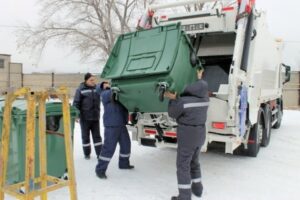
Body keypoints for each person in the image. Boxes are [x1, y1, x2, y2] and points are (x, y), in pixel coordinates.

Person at [165, 68, 209, 200]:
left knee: (183, 165)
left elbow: (172, 113)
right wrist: (199, 77)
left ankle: (184, 196)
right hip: (200, 134)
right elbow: (199, 85)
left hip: (188, 135)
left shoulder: (184, 101)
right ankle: (198, 189)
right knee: (194, 162)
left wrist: (173, 99)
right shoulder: (205, 97)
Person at [95, 81, 134, 179]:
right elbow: (108, 94)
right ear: (102, 86)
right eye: (105, 84)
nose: (108, 84)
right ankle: (100, 170)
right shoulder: (104, 94)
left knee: (126, 145)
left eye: (108, 83)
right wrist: (111, 89)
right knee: (109, 148)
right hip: (111, 125)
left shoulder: (116, 93)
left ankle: (124, 163)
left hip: (121, 123)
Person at [73, 73, 102, 160]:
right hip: (85, 117)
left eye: (94, 80)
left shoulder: (97, 89)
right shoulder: (80, 89)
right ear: (86, 80)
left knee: (97, 136)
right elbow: (76, 103)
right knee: (85, 136)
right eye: (91, 80)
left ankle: (99, 154)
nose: (93, 82)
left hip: (95, 117)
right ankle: (87, 153)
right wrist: (76, 115)